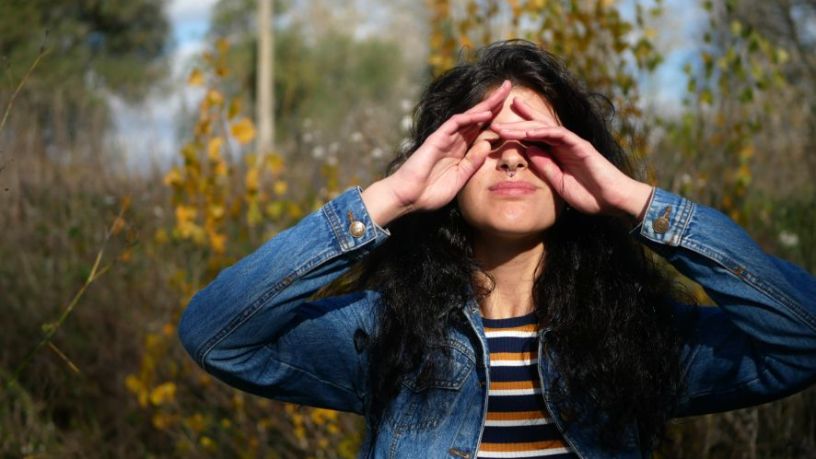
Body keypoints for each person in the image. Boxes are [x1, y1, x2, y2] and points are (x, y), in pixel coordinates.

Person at [178, 40, 816, 458]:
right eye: (483, 137)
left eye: (539, 139)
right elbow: (216, 333)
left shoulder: (637, 337)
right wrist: (390, 198)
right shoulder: (385, 334)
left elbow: (803, 339)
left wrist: (636, 203)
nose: (511, 153)